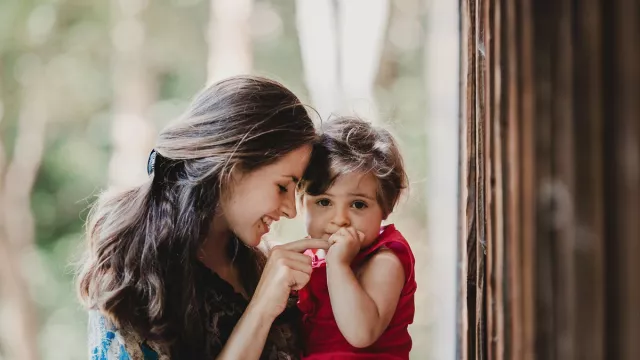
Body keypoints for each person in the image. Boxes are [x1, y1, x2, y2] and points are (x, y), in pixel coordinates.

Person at [76, 75, 329, 360]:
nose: (291, 210)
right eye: (283, 186)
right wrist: (261, 309)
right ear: (231, 167)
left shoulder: (258, 266)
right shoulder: (127, 269)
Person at [296, 116, 416, 359]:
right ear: (300, 201)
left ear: (386, 206)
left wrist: (338, 265)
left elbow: (361, 334)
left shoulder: (385, 259)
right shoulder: (307, 256)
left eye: (358, 204)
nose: (340, 219)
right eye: (323, 202)